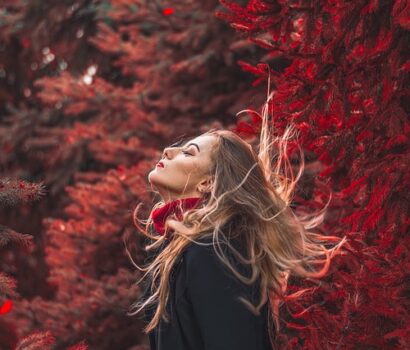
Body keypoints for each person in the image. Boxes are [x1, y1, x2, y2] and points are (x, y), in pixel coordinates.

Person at [126, 95, 347, 350]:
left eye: (188, 153)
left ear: (207, 183)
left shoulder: (215, 249)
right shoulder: (181, 251)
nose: (168, 151)